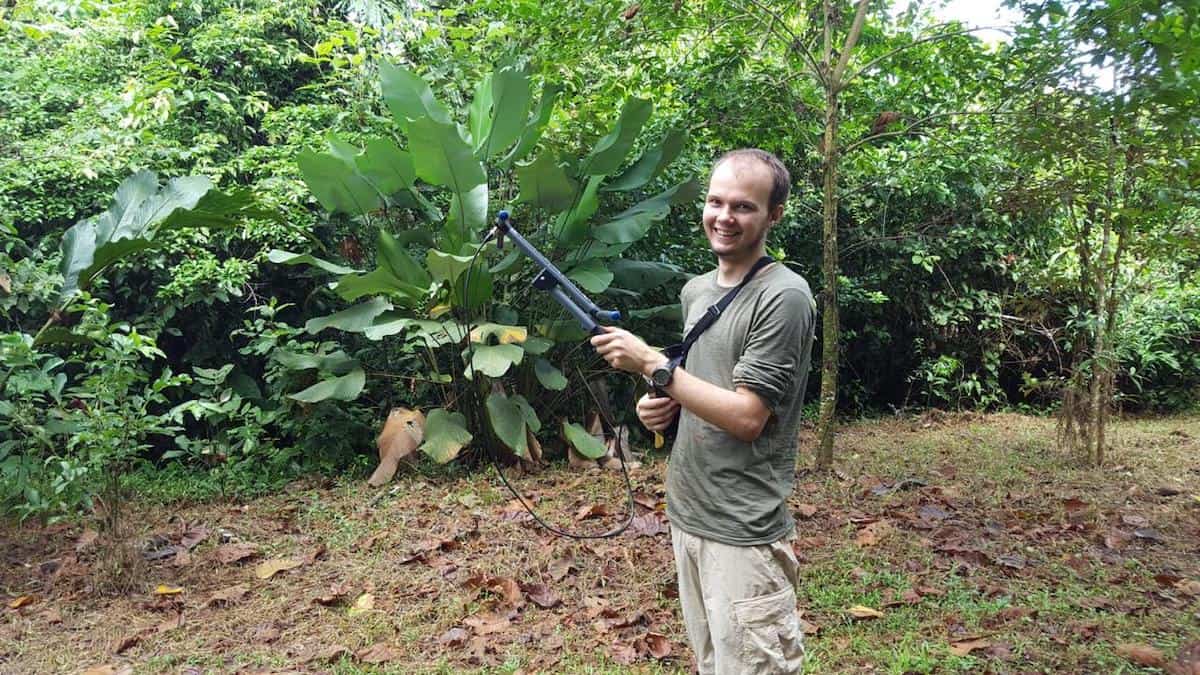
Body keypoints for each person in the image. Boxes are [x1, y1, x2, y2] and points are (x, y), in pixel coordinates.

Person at [591, 148, 816, 674]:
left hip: (742, 527)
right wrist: (660, 406)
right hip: (688, 512)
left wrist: (651, 362)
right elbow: (698, 388)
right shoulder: (697, 291)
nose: (724, 217)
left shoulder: (783, 296)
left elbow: (746, 417)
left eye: (743, 206)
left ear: (773, 214)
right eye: (716, 202)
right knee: (712, 663)